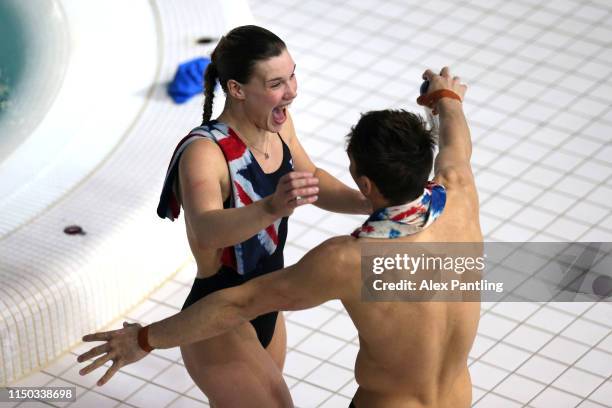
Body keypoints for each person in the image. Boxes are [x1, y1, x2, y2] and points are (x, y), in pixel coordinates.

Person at [78, 66, 481, 408]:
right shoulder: (460, 194)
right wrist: (446, 98)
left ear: (365, 182)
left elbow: (240, 302)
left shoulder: (348, 260)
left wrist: (144, 339)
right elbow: (455, 141)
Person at [84, 25, 368, 407]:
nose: (292, 91)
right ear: (236, 89)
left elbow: (313, 180)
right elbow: (206, 228)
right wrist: (269, 207)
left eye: (293, 75)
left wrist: (372, 202)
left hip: (263, 303)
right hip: (216, 315)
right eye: (276, 83)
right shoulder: (205, 152)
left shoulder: (279, 126)